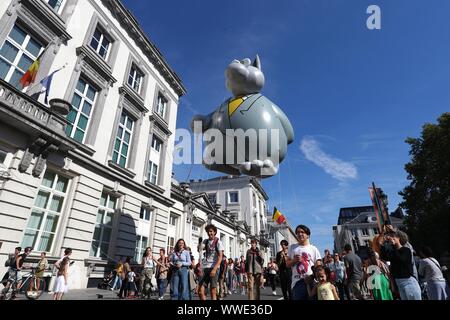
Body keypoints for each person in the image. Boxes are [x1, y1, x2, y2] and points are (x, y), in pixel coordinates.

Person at [378, 229, 422, 300]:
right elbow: (384, 257)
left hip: (408, 282)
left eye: (393, 237)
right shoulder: (393, 252)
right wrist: (382, 245)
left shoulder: (406, 250)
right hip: (399, 283)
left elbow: (401, 259)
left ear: (399, 238)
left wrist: (394, 246)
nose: (391, 239)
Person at [286, 224, 321, 300]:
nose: (299, 234)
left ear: (308, 235)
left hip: (311, 282)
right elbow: (287, 264)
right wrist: (294, 260)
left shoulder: (313, 249)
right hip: (297, 282)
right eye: (298, 232)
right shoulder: (292, 247)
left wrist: (312, 277)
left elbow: (319, 268)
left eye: (302, 232)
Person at [198, 224, 224, 300]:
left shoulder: (218, 242)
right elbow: (199, 249)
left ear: (215, 232)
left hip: (214, 267)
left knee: (213, 291)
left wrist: (215, 269)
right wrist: (199, 242)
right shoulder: (205, 241)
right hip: (206, 267)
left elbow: (220, 257)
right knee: (200, 290)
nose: (210, 233)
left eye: (211, 231)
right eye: (208, 232)